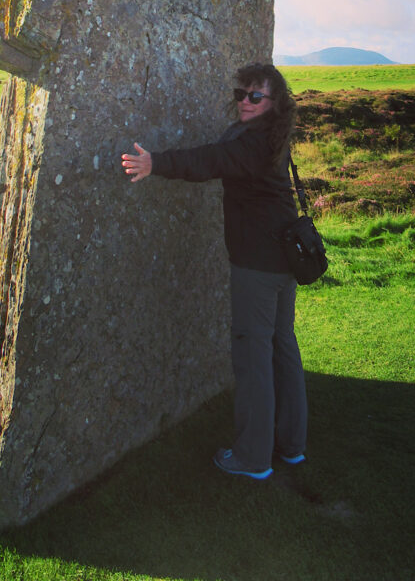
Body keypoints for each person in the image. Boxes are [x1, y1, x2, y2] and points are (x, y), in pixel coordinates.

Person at [121, 62, 308, 480]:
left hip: (258, 266)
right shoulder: (273, 137)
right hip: (282, 262)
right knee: (281, 348)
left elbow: (209, 160)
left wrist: (156, 163)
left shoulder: (254, 143)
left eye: (254, 96)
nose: (244, 102)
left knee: (253, 356)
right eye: (240, 94)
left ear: (273, 102)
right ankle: (291, 445)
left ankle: (253, 458)